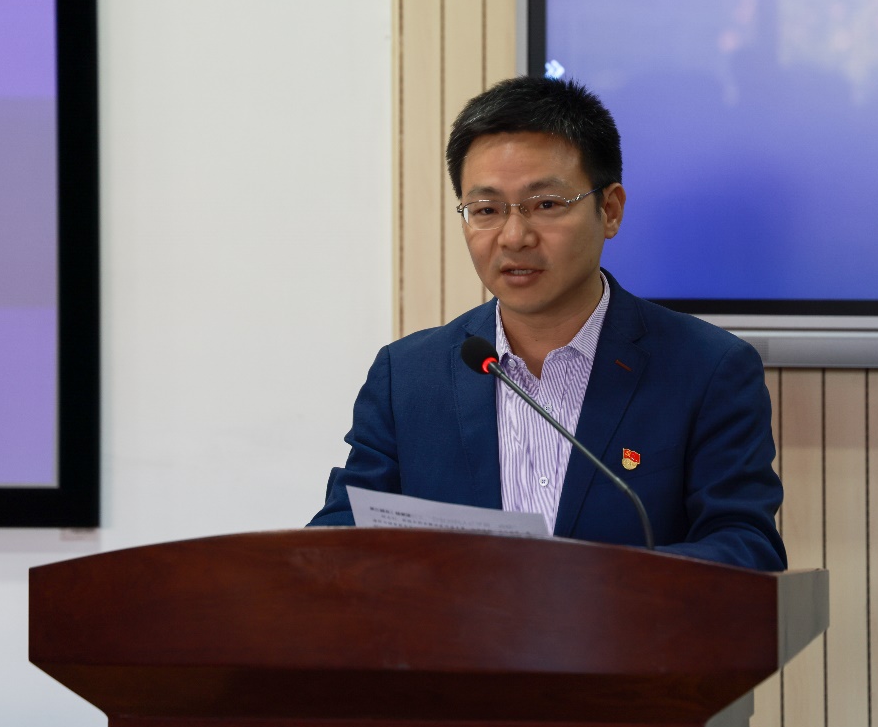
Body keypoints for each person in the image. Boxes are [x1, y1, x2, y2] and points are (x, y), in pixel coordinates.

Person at [309, 76, 785, 570]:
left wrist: (588, 587)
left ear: (610, 210)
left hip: (628, 622)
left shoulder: (707, 368)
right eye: (486, 210)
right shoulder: (407, 376)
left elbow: (746, 548)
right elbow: (339, 537)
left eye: (546, 205)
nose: (514, 236)